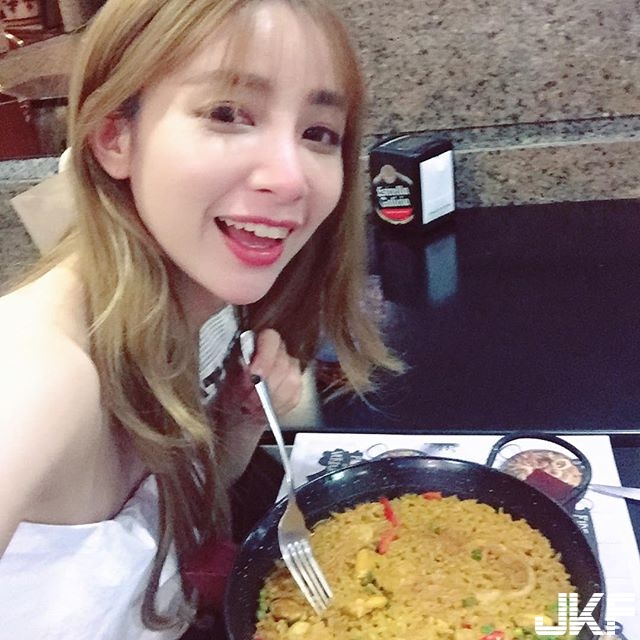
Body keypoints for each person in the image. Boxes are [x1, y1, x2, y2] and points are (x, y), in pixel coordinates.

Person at [0, 0, 400, 637]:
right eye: (228, 113)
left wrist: (238, 422)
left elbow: (166, 515)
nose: (291, 178)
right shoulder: (37, 373)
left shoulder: (199, 306)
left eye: (319, 133)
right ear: (114, 136)